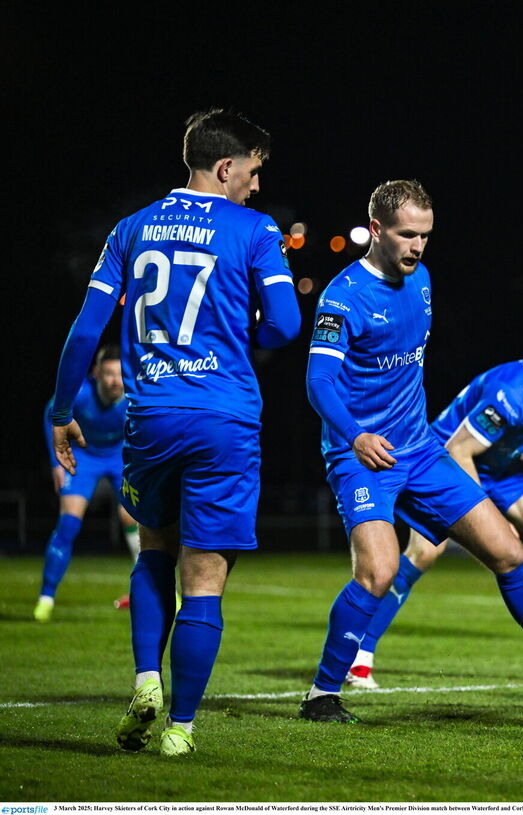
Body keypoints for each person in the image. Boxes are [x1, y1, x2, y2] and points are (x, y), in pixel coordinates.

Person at [299, 180, 523, 723]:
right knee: (379, 570)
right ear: (376, 230)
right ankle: (322, 693)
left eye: (425, 235)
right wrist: (355, 437)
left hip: (420, 450)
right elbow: (319, 382)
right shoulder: (342, 296)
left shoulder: (421, 279)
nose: (418, 246)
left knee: (509, 552)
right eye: (406, 235)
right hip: (361, 455)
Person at [49, 109, 301, 756]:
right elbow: (285, 323)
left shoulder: (130, 229)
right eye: (252, 170)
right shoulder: (254, 228)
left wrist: (58, 411)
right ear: (225, 166)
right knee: (206, 576)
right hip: (223, 418)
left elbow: (85, 331)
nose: (254, 184)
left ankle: (144, 680)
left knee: (154, 549)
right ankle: (181, 727)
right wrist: (237, 337)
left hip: (151, 418)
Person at [345, 323, 523, 689]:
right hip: (446, 459)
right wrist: (494, 518)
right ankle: (359, 654)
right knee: (424, 553)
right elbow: (459, 449)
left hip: (507, 471)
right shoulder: (515, 392)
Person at [35, 344, 140, 621]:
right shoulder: (80, 393)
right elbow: (51, 414)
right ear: (96, 373)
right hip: (83, 458)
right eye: (108, 374)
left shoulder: (135, 395)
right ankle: (46, 598)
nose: (115, 380)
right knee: (69, 523)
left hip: (120, 457)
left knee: (135, 519)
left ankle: (157, 592)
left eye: (120, 374)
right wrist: (56, 462)